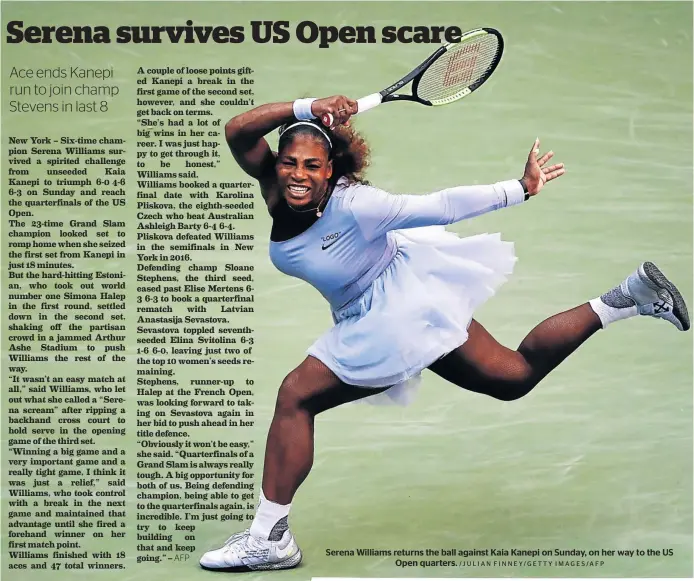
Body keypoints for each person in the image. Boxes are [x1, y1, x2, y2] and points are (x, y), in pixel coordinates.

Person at [199, 96, 690, 572]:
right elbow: (237, 130)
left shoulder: (358, 206)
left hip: (392, 313)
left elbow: (441, 205)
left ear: (331, 170)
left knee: (296, 396)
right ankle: (628, 297)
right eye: (290, 163)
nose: (298, 175)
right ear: (277, 162)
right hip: (401, 297)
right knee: (513, 376)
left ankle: (269, 538)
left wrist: (519, 187)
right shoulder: (274, 181)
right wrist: (306, 107)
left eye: (312, 166)